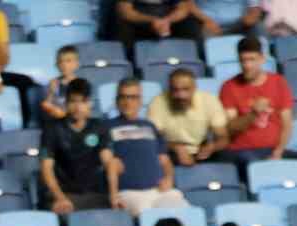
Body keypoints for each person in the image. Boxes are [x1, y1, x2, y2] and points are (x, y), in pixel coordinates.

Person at [109, 79, 188, 216]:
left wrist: (169, 178)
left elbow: (164, 160)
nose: (128, 102)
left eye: (133, 97)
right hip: (130, 192)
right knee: (151, 217)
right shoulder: (106, 127)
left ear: (140, 101)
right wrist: (113, 194)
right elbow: (110, 163)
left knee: (183, 211)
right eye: (123, 97)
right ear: (117, 101)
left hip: (159, 191)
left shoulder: (149, 126)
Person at [39, 78, 117, 213]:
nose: (77, 107)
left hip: (96, 194)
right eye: (73, 101)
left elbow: (109, 163)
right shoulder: (52, 129)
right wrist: (60, 198)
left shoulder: (99, 127)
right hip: (64, 195)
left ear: (90, 104)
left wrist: (114, 195)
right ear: (66, 103)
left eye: (82, 102)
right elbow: (46, 169)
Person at [219, 36, 292, 167]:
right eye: (243, 61)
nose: (247, 65)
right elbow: (230, 128)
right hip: (242, 150)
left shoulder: (278, 82)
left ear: (262, 59)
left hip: (273, 148)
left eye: (252, 60)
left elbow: (287, 123)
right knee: (255, 164)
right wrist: (253, 114)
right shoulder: (229, 87)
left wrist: (278, 151)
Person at [148, 68, 228, 168]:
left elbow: (223, 137)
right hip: (170, 150)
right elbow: (153, 138)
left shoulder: (209, 100)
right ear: (169, 89)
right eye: (175, 90)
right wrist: (176, 148)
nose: (181, 95)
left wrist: (212, 147)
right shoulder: (158, 102)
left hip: (201, 148)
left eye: (185, 89)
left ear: (194, 88)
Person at [115, 0, 221, 45]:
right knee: (123, 27)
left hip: (167, 16)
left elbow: (183, 9)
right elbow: (125, 12)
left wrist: (167, 21)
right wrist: (152, 21)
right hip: (140, 17)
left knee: (191, 25)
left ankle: (189, 63)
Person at [39, 45, 80, 122]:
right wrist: (51, 92)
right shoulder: (52, 83)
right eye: (60, 61)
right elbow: (46, 105)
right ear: (56, 64)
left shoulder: (81, 83)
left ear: (77, 64)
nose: (64, 65)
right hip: (58, 122)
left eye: (68, 61)